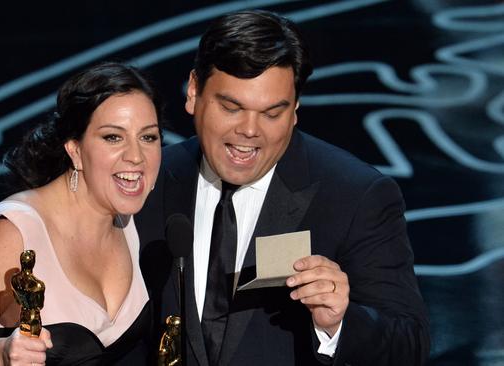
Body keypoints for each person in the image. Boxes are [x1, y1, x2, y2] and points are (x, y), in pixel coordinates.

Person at [135, 10, 430, 365]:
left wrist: (337, 324)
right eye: (231, 107)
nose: (249, 130)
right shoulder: (148, 179)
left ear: (295, 109)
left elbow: (409, 345)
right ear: (194, 91)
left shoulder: (355, 195)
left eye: (272, 113)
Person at [0, 62, 163, 365]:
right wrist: (0, 354)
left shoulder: (134, 222)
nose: (136, 156)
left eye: (148, 137)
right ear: (75, 149)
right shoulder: (13, 234)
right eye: (113, 137)